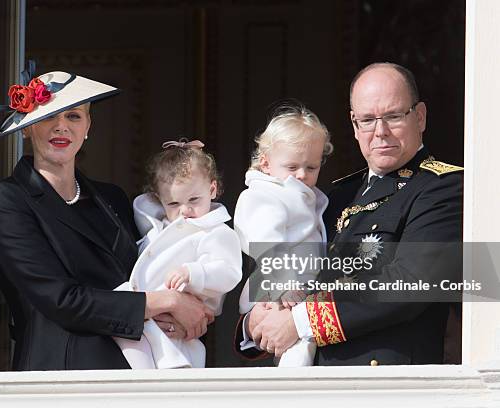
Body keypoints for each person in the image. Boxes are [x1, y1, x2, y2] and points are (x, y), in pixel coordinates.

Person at [235, 62, 463, 366]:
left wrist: (300, 322)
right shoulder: (335, 196)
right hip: (314, 381)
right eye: (367, 120)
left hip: (385, 385)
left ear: (419, 117)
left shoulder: (443, 186)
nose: (380, 132)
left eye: (393, 116)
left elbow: (409, 282)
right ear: (354, 126)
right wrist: (256, 322)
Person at [0, 70, 213, 371]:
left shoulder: (112, 198)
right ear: (27, 128)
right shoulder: (7, 199)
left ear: (88, 126)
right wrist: (168, 303)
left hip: (139, 367)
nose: (61, 126)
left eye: (74, 117)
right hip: (61, 377)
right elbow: (61, 300)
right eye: (49, 116)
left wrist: (189, 312)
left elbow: (173, 249)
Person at [114, 140, 242, 368]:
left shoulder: (216, 232)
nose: (185, 210)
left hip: (180, 320)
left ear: (212, 190)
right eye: (173, 202)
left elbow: (228, 270)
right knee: (124, 328)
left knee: (176, 366)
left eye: (194, 199)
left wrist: (193, 272)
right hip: (144, 312)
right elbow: (143, 204)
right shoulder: (158, 225)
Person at [233, 104, 332, 366]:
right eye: (292, 166)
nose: (302, 174)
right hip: (278, 289)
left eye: (312, 167)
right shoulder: (262, 195)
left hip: (299, 290)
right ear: (265, 163)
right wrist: (284, 283)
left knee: (302, 346)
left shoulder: (304, 196)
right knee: (298, 353)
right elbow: (265, 244)